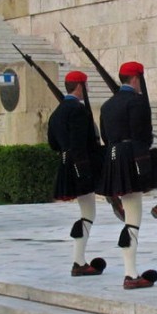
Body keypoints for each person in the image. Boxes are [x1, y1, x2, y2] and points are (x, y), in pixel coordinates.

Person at [97, 61, 157, 290]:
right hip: (136, 158)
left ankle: (130, 275)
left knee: (132, 221)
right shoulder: (137, 102)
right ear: (136, 79)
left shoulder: (107, 105)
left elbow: (104, 137)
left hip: (114, 160)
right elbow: (144, 137)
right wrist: (145, 165)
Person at [47, 70, 110, 277]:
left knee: (86, 213)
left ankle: (79, 259)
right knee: (88, 213)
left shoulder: (56, 113)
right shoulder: (78, 111)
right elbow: (84, 143)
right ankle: (78, 261)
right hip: (81, 165)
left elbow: (53, 143)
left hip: (66, 164)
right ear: (80, 86)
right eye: (87, 86)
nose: (88, 90)